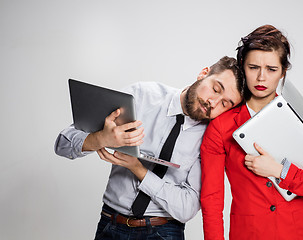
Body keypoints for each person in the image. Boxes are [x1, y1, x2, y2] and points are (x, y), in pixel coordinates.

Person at [54, 56, 243, 240]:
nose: (213, 102)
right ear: (203, 74)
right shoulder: (143, 95)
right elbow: (62, 144)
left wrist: (138, 169)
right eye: (215, 89)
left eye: (225, 104)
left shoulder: (211, 138)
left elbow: (187, 208)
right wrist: (100, 138)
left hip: (165, 232)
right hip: (110, 224)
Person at [200, 25, 303, 240]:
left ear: (283, 71)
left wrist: (280, 171)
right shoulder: (220, 127)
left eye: (272, 69)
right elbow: (212, 199)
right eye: (253, 67)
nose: (261, 78)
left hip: (302, 230)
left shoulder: (300, 116)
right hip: (250, 233)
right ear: (242, 67)